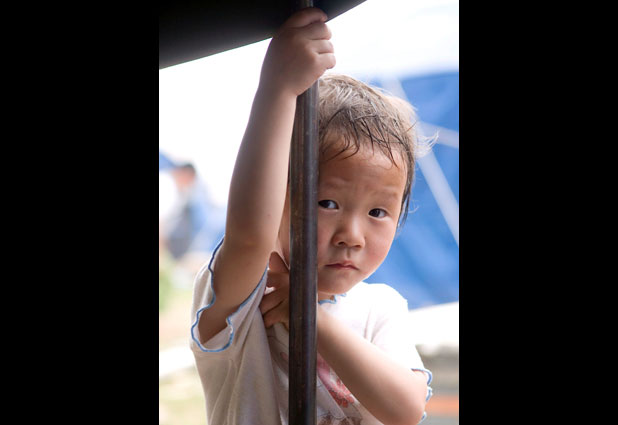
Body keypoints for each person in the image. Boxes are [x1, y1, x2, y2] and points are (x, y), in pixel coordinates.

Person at [190, 7, 433, 425]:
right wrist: (279, 89)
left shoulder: (381, 308)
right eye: (327, 203)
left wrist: (311, 316)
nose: (352, 235)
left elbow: (406, 410)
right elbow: (249, 234)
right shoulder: (248, 297)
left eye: (378, 212)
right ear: (278, 195)